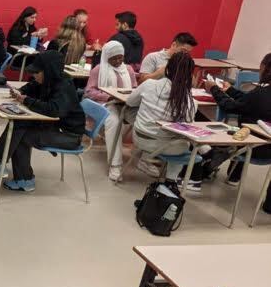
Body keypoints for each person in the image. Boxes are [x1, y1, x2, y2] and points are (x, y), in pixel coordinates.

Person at [0, 51, 86, 192]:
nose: (34, 76)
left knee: (21, 136)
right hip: (55, 127)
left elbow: (54, 110)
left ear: (48, 71)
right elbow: (31, 87)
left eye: (37, 72)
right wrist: (20, 92)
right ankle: (2, 165)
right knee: (19, 124)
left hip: (69, 136)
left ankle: (22, 178)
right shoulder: (48, 80)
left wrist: (26, 100)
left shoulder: (64, 86)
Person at [201, 53, 271, 205]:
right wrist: (231, 90)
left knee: (217, 136)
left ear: (264, 68)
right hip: (268, 148)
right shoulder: (260, 94)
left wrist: (214, 89)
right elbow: (248, 100)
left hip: (251, 146)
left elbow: (229, 106)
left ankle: (200, 172)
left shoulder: (260, 94)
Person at [126, 52, 196, 183]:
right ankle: (170, 181)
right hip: (168, 146)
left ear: (167, 68)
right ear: (190, 75)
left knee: (131, 112)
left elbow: (130, 102)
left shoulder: (149, 84)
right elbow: (187, 125)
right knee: (185, 142)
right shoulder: (188, 100)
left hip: (140, 138)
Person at [84, 41, 138, 181]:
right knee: (113, 121)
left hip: (126, 105)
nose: (118, 61)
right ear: (106, 57)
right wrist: (107, 96)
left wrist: (128, 97)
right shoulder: (98, 69)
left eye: (120, 57)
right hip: (107, 104)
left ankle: (143, 159)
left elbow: (134, 88)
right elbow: (89, 91)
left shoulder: (129, 70)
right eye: (114, 58)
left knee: (143, 119)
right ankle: (115, 165)